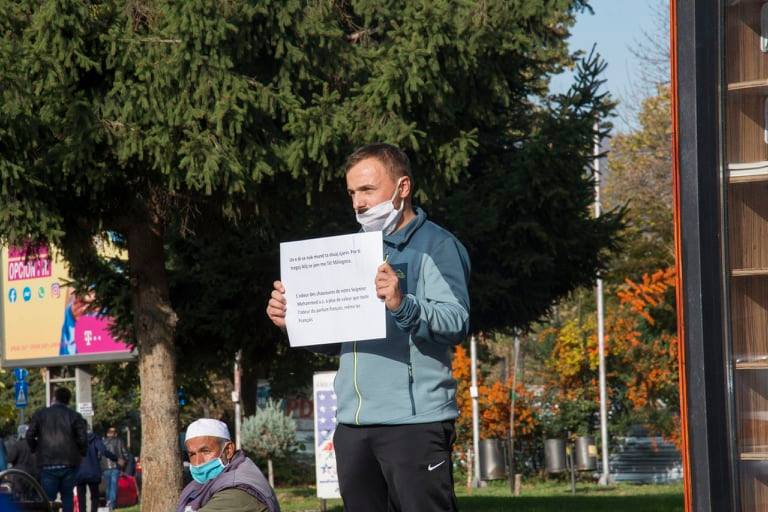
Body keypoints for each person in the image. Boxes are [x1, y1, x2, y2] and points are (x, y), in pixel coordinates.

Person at [266, 143, 471, 511]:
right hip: (353, 425)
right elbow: (339, 343)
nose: (358, 203)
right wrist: (293, 320)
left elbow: (456, 322)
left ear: (402, 187)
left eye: (367, 190)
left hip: (414, 423)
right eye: (352, 193)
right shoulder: (352, 250)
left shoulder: (437, 246)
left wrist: (401, 303)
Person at [176, 418, 279, 512]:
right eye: (192, 454)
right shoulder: (204, 483)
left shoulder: (237, 490)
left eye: (205, 451)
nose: (198, 462)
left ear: (228, 450)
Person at [26, 387, 88, 512]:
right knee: (67, 496)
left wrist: (35, 448)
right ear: (68, 400)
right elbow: (83, 438)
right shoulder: (74, 416)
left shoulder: (40, 414)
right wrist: (81, 453)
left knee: (48, 499)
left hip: (47, 462)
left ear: (54, 398)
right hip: (69, 463)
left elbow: (29, 435)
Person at [75, 429, 116, 512]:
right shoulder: (95, 439)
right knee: (94, 496)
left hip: (79, 472)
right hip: (93, 471)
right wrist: (115, 458)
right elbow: (103, 451)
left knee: (81, 497)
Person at [101, 426, 127, 510]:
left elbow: (99, 455)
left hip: (105, 467)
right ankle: (111, 504)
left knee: (108, 486)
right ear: (115, 434)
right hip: (116, 466)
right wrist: (124, 463)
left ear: (107, 433)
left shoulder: (102, 442)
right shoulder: (119, 441)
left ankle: (108, 502)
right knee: (113, 486)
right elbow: (125, 453)